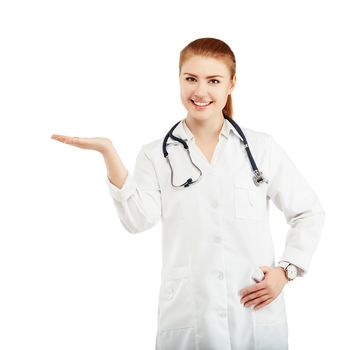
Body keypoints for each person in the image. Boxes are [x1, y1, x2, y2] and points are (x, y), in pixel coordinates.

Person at [51, 37, 325, 350]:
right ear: (179, 79)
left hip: (253, 314)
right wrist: (108, 153)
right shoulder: (156, 154)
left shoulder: (262, 149)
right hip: (190, 317)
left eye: (213, 80)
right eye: (191, 79)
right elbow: (138, 220)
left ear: (231, 84)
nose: (200, 91)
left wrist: (286, 272)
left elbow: (308, 212)